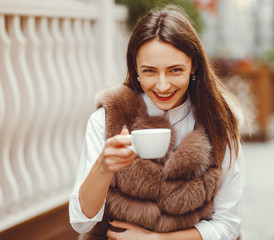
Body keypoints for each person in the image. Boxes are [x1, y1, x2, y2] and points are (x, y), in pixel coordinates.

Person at [69, 5, 245, 240]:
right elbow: (81, 222)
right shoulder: (107, 119)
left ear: (193, 65)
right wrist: (103, 167)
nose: (162, 86)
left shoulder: (219, 124)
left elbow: (229, 225)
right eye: (150, 71)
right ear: (136, 69)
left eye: (175, 70)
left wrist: (156, 239)